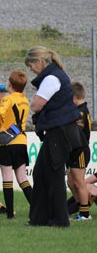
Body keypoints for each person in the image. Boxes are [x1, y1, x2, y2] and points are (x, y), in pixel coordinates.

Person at [25, 46, 87, 227]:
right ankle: (39, 218)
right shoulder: (55, 75)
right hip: (59, 130)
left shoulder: (51, 78)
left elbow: (36, 105)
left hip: (60, 132)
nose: (30, 69)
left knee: (53, 175)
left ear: (40, 61)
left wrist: (35, 102)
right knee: (41, 172)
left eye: (31, 64)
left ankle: (59, 219)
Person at [0, 71, 33, 219]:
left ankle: (10, 213)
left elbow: (0, 114)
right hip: (21, 140)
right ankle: (36, 208)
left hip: (7, 141)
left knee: (7, 177)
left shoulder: (7, 99)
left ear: (9, 84)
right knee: (22, 177)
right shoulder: (25, 100)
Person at [65, 81, 92, 220]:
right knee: (71, 182)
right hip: (73, 150)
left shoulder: (80, 112)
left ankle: (85, 214)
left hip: (80, 150)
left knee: (79, 181)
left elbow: (78, 134)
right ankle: (81, 206)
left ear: (74, 98)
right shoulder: (78, 110)